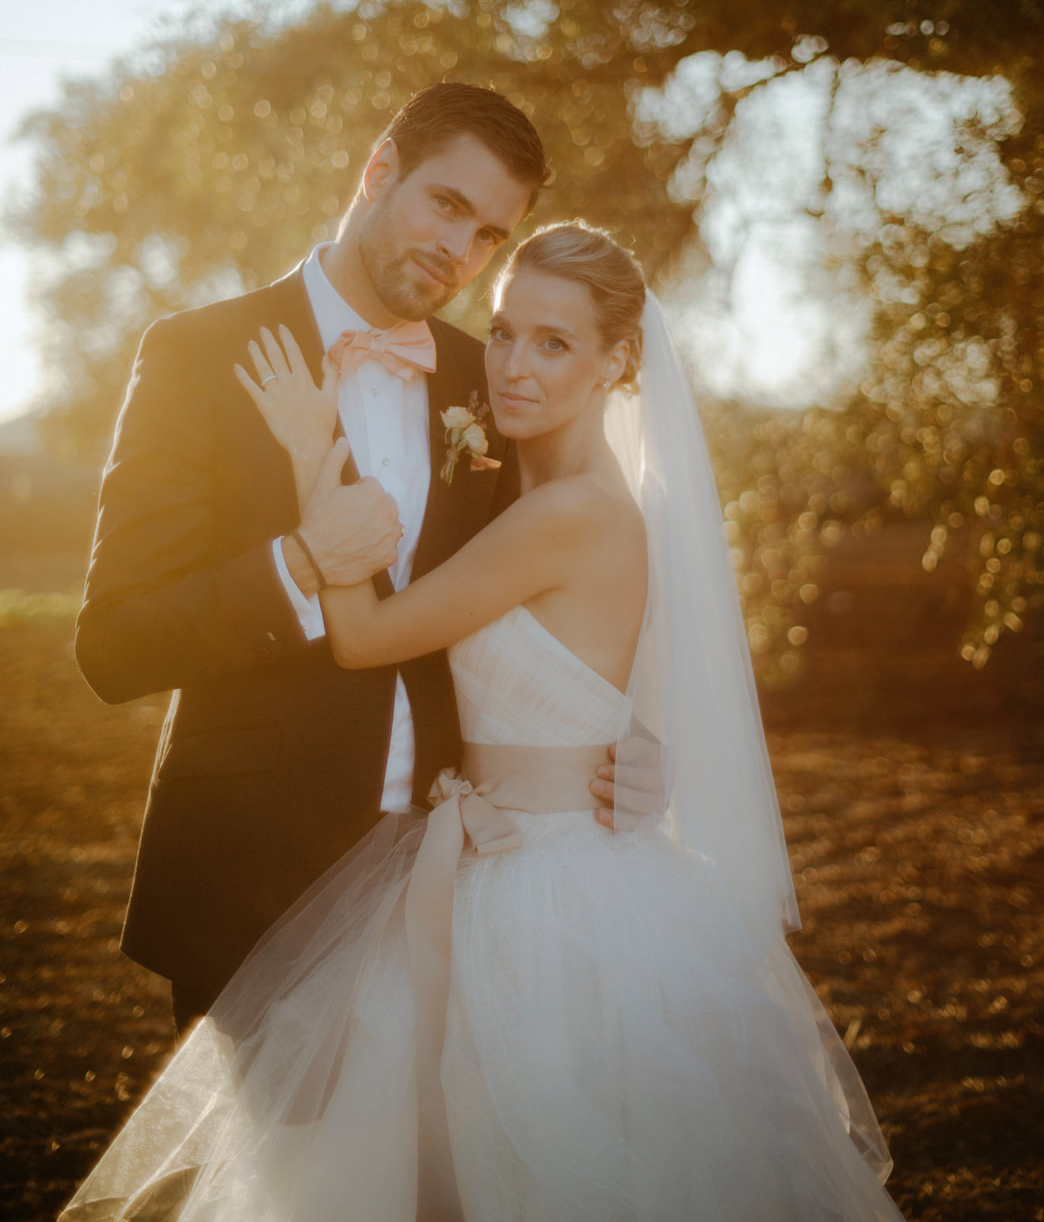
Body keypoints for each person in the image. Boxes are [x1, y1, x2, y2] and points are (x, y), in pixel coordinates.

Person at [62, 223, 905, 1221]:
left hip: (541, 891)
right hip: (479, 859)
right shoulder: (525, 488)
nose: (508, 364)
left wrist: (307, 461)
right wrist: (628, 740)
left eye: (552, 343)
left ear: (616, 362)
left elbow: (366, 636)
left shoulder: (570, 515)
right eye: (503, 332)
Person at [75, 82, 624, 1034]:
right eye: (446, 205)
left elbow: (557, 586)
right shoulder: (198, 355)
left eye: (488, 234)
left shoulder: (486, 380)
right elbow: (115, 646)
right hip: (252, 881)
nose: (460, 249)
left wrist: (620, 745)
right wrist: (297, 563)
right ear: (378, 172)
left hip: (455, 878)